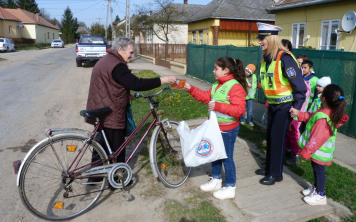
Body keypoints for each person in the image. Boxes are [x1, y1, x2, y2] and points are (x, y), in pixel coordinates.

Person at [85, 37, 176, 183]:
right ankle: (118, 181)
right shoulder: (117, 65)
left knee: (101, 145)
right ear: (120, 50)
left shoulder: (107, 60)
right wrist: (162, 80)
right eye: (131, 52)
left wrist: (126, 94)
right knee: (117, 149)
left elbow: (110, 83)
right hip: (110, 112)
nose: (132, 56)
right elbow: (135, 83)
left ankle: (94, 177)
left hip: (101, 108)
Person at [183, 56, 247, 200]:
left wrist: (218, 106)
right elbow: (205, 97)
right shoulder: (217, 85)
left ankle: (230, 187)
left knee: (227, 158)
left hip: (228, 130)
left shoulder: (235, 87)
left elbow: (239, 110)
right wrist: (190, 88)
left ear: (226, 70)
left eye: (216, 69)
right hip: (215, 128)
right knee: (214, 154)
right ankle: (216, 179)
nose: (213, 71)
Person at [254, 22, 307, 185]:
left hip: (286, 107)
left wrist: (296, 107)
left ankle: (276, 174)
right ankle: (270, 167)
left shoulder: (284, 58)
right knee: (271, 136)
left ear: (271, 39)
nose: (260, 42)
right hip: (273, 105)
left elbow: (300, 87)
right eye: (260, 39)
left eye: (262, 39)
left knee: (277, 138)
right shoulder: (267, 58)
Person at [290, 84, 348, 205]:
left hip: (319, 152)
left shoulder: (323, 118)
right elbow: (311, 117)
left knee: (319, 171)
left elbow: (316, 138)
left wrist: (306, 152)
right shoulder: (325, 111)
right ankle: (316, 188)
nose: (320, 94)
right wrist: (299, 114)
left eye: (322, 93)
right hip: (317, 151)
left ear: (324, 99)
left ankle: (320, 194)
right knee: (317, 170)